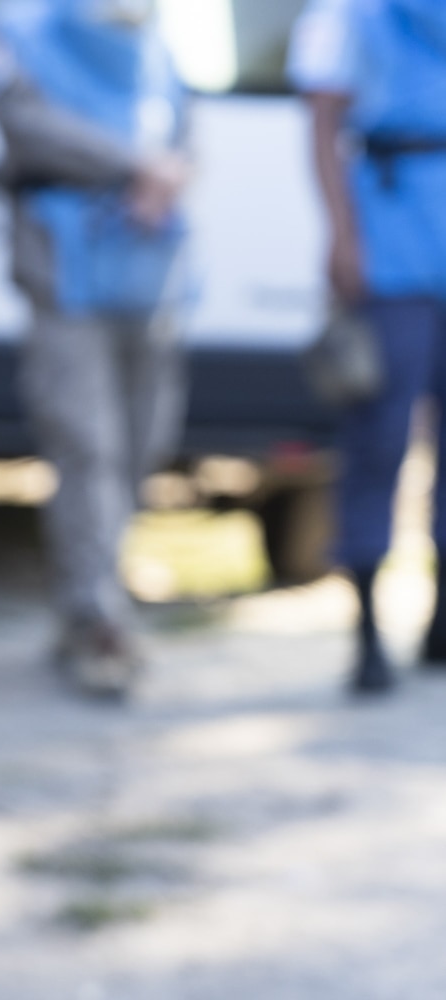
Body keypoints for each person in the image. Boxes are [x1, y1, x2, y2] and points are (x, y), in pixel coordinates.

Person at [0, 0, 191, 700]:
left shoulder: (156, 42)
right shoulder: (25, 34)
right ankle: (95, 617)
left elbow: (183, 130)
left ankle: (99, 592)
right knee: (87, 443)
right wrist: (135, 164)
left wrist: (169, 175)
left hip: (148, 271)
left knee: (143, 441)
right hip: (64, 268)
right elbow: (23, 126)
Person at [290, 0, 446, 695]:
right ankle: (366, 629)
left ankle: (439, 622)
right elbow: (323, 121)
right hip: (390, 244)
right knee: (379, 437)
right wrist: (342, 235)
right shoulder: (355, 15)